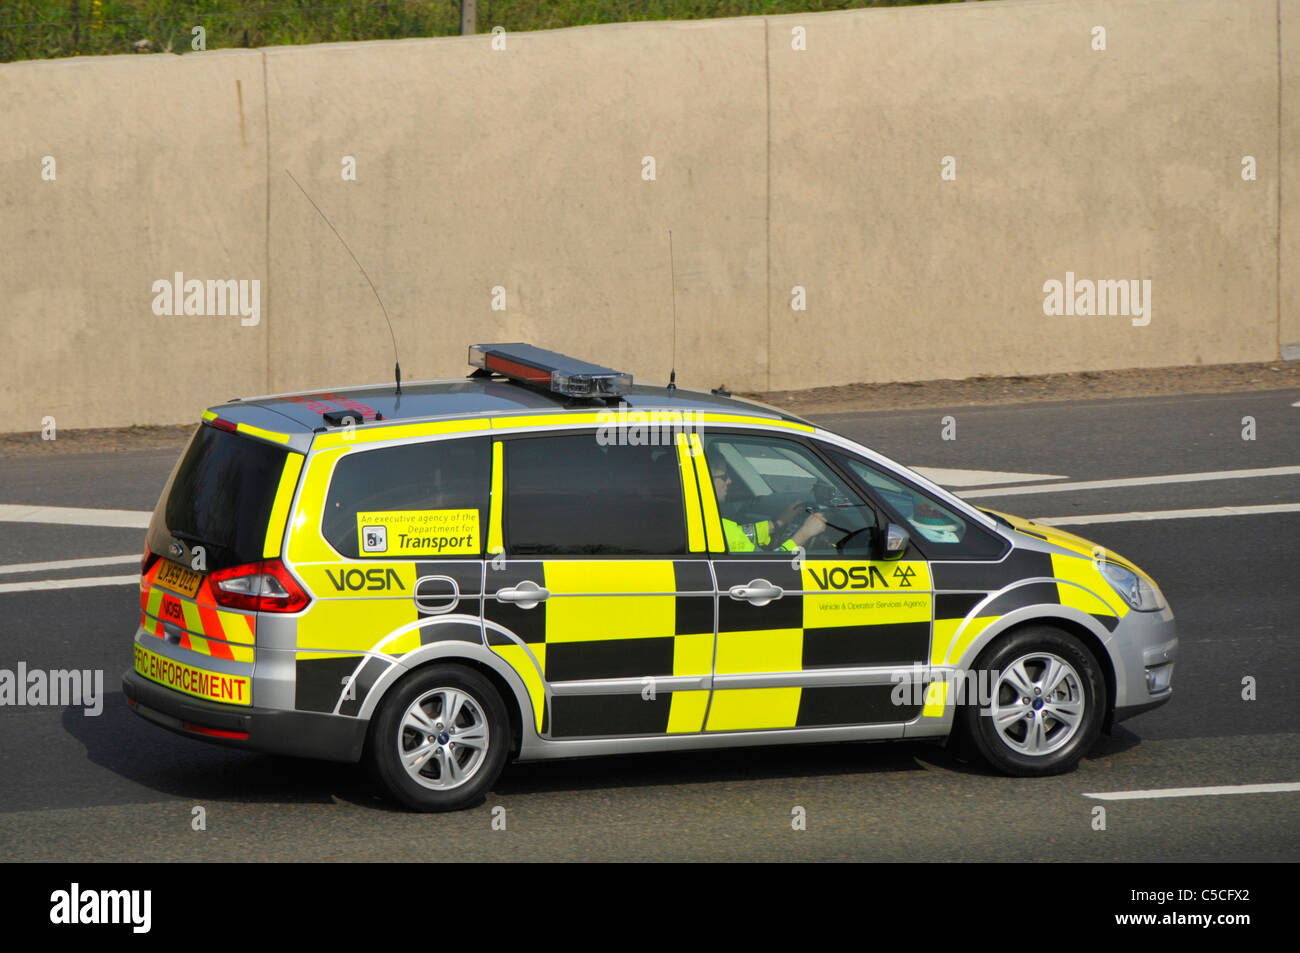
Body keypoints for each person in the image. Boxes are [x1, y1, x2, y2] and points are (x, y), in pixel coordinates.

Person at [710, 460, 826, 552]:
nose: (729, 481)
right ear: (707, 479)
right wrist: (803, 534)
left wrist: (778, 523)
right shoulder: (719, 529)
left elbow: (742, 535)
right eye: (724, 477)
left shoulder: (706, 523)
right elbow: (769, 567)